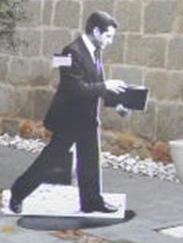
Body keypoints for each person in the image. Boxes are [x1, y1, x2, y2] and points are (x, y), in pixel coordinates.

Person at [8, 11, 126, 214]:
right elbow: (75, 88)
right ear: (96, 31)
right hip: (69, 119)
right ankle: (18, 193)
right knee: (50, 160)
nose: (110, 41)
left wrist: (117, 103)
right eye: (108, 36)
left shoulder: (95, 51)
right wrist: (106, 85)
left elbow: (95, 83)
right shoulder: (69, 52)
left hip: (88, 118)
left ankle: (91, 201)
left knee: (90, 161)